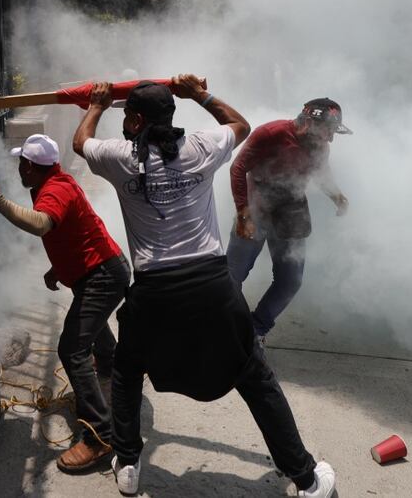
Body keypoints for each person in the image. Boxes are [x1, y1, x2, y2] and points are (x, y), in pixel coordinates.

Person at [74, 77, 336, 497]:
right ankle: (306, 479)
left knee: (126, 372)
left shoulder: (119, 157)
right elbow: (240, 124)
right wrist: (198, 94)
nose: (124, 123)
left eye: (127, 117)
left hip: (154, 289)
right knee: (254, 376)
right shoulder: (200, 147)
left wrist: (98, 104)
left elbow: (80, 141)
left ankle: (127, 462)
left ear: (136, 119)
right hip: (211, 286)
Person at [0, 134, 129, 473]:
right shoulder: (58, 181)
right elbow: (73, 230)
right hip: (99, 271)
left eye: (21, 164)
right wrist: (60, 267)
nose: (19, 169)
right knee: (92, 329)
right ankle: (112, 377)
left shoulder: (55, 189)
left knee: (72, 348)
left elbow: (42, 224)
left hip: (102, 275)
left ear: (30, 166)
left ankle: (100, 435)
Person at [227, 98, 351, 346]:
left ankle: (256, 330)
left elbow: (321, 172)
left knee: (291, 280)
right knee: (232, 276)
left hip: (292, 209)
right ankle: (228, 329)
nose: (330, 138)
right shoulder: (270, 133)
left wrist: (336, 195)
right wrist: (243, 213)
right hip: (256, 206)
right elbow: (238, 169)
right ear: (309, 122)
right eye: (328, 130)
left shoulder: (320, 147)